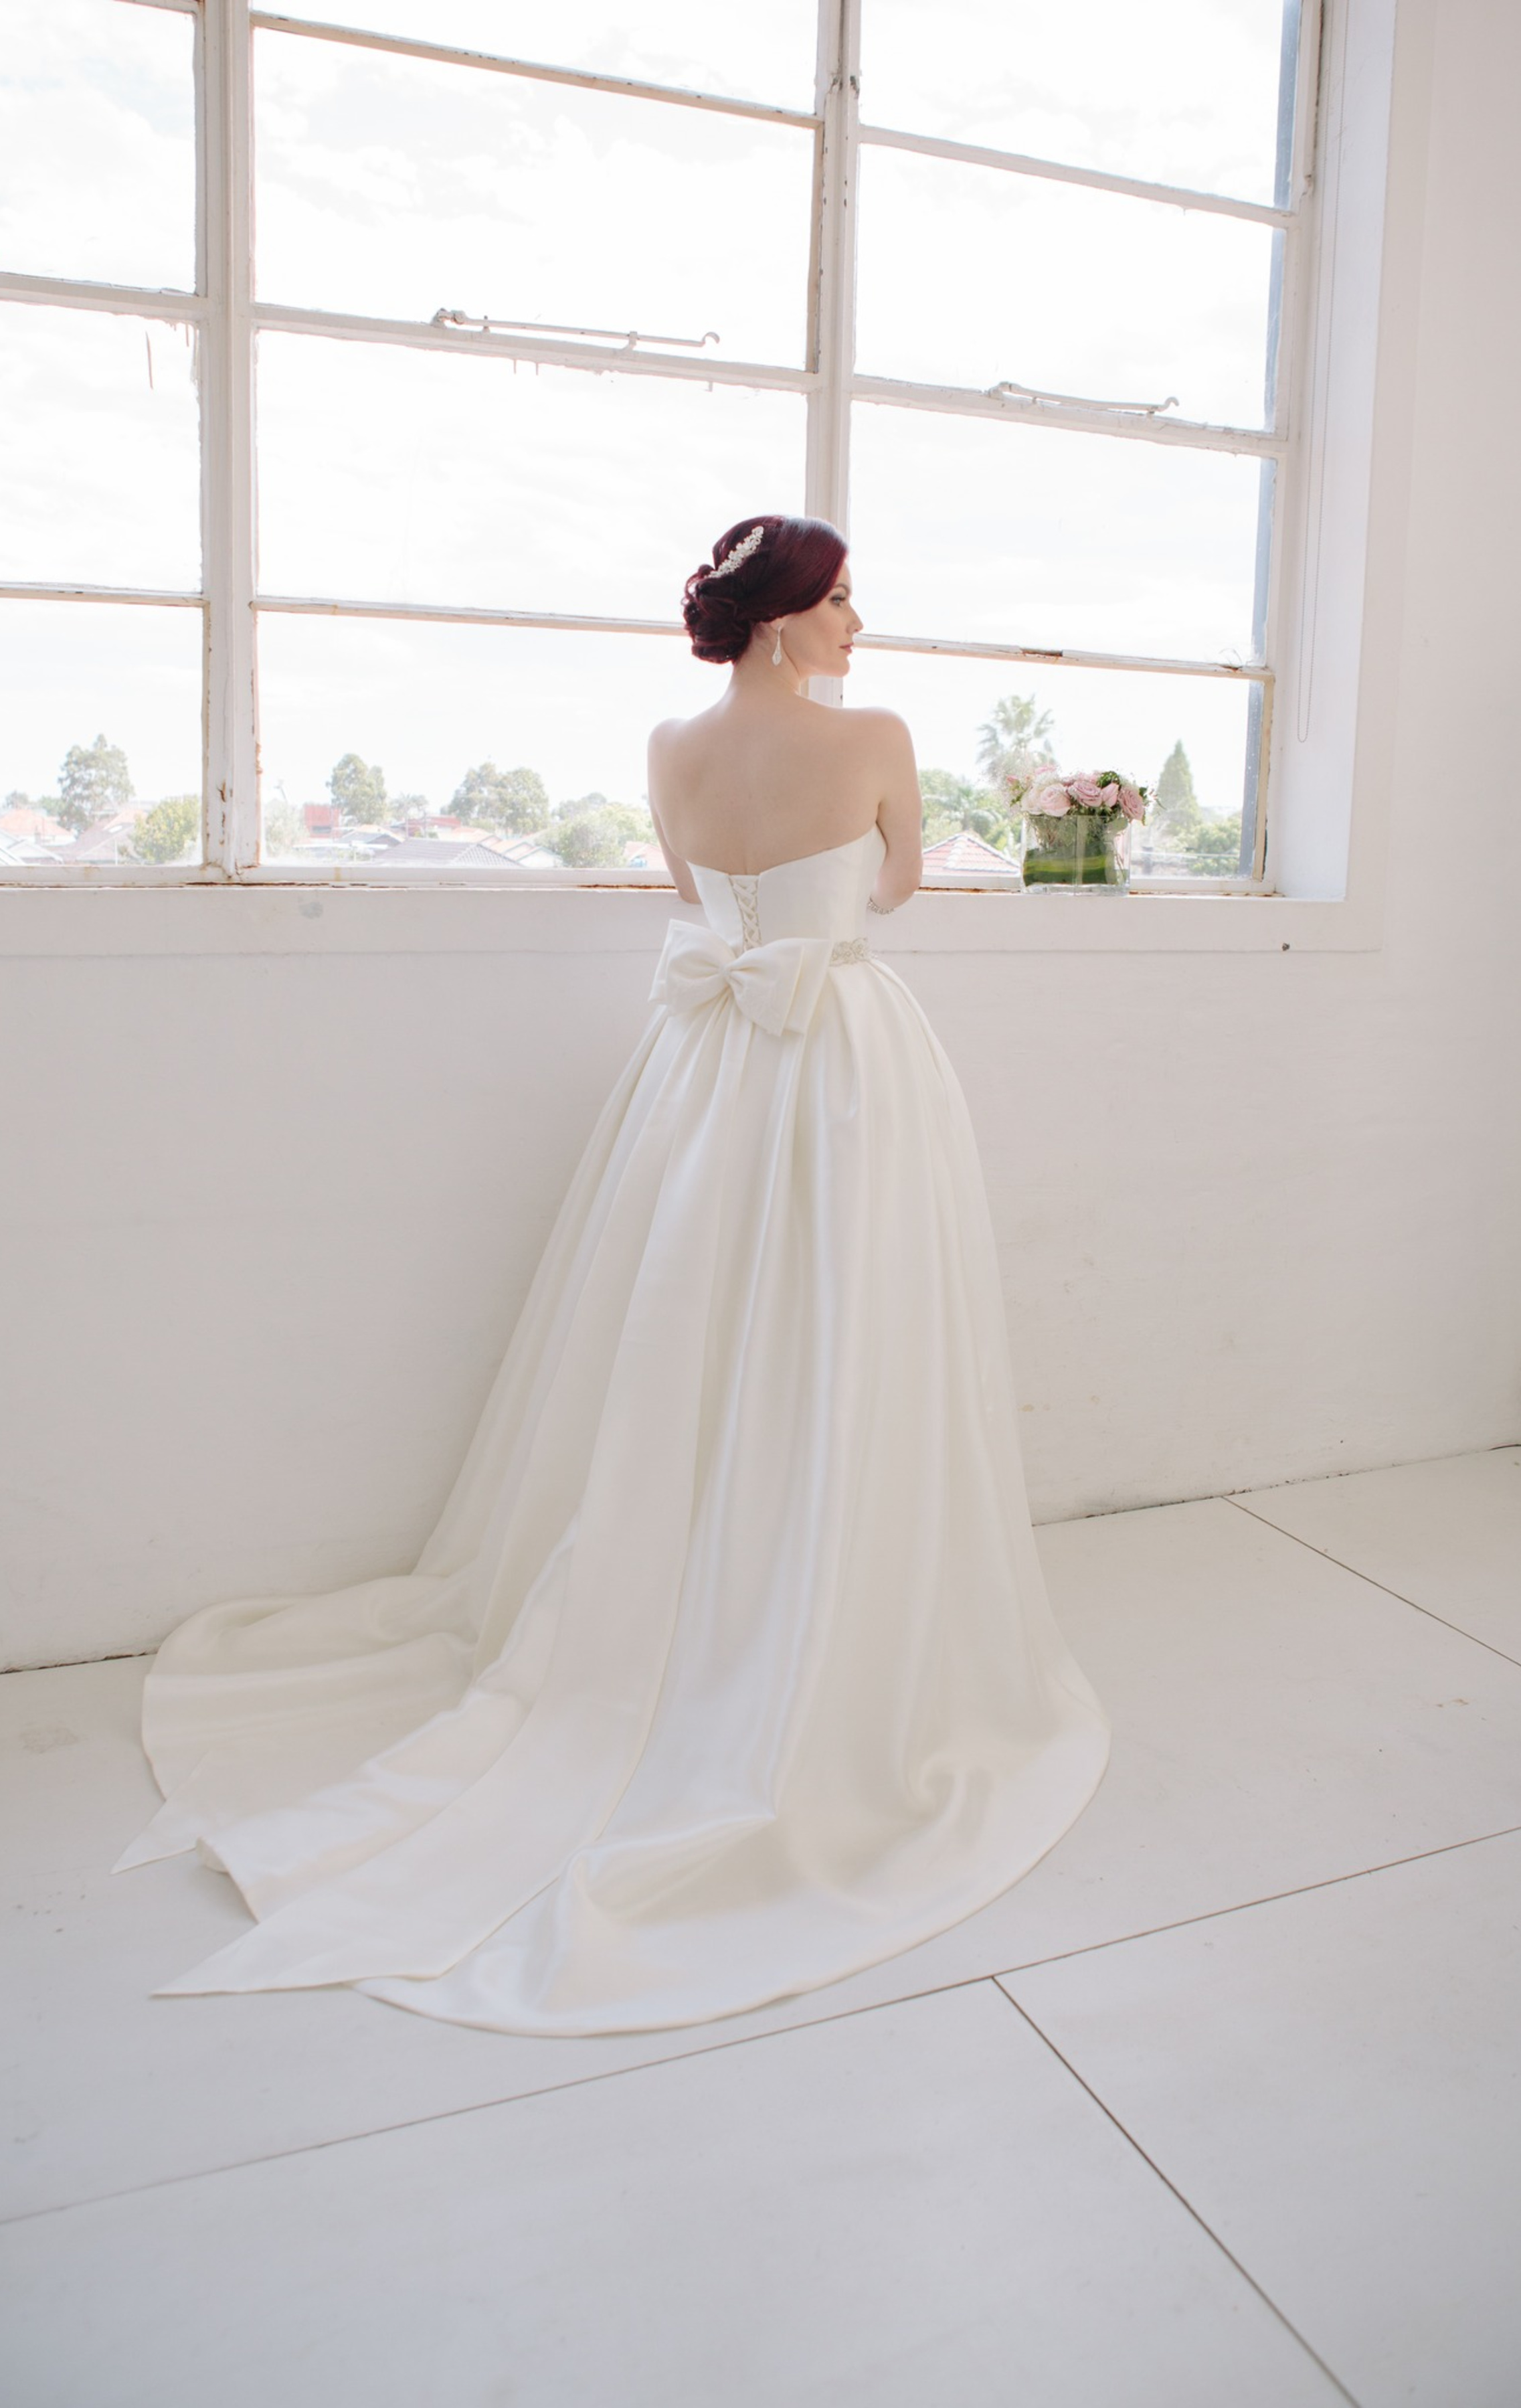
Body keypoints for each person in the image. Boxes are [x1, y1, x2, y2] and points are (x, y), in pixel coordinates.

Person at [117, 513, 1110, 2038]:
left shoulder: (665, 744)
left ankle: (694, 1577)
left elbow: (689, 888)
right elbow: (899, 885)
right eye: (842, 602)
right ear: (781, 622)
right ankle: (801, 1603)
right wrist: (829, 887)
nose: (859, 626)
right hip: (834, 1055)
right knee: (840, 1328)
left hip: (702, 1061)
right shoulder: (879, 736)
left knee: (684, 1328)